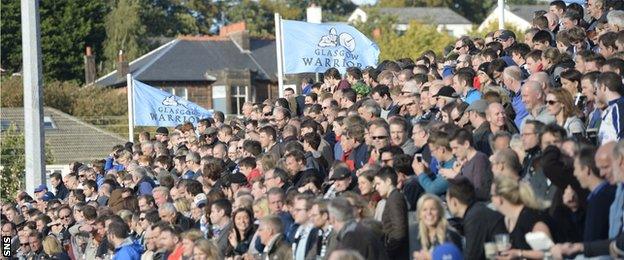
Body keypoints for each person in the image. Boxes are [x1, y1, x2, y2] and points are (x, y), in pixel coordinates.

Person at [446, 177, 507, 259]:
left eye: (447, 202)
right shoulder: (476, 211)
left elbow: (472, 256)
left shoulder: (475, 217)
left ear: (454, 202)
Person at [410, 194, 462, 258]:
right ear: (419, 214)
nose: (429, 213)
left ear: (440, 212)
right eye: (424, 210)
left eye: (433, 209)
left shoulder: (452, 236)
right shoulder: (411, 232)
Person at [373, 167, 408, 259]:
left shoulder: (395, 199)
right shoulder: (393, 198)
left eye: (378, 184)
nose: (376, 188)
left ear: (388, 181)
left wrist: (388, 252)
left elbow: (399, 230)